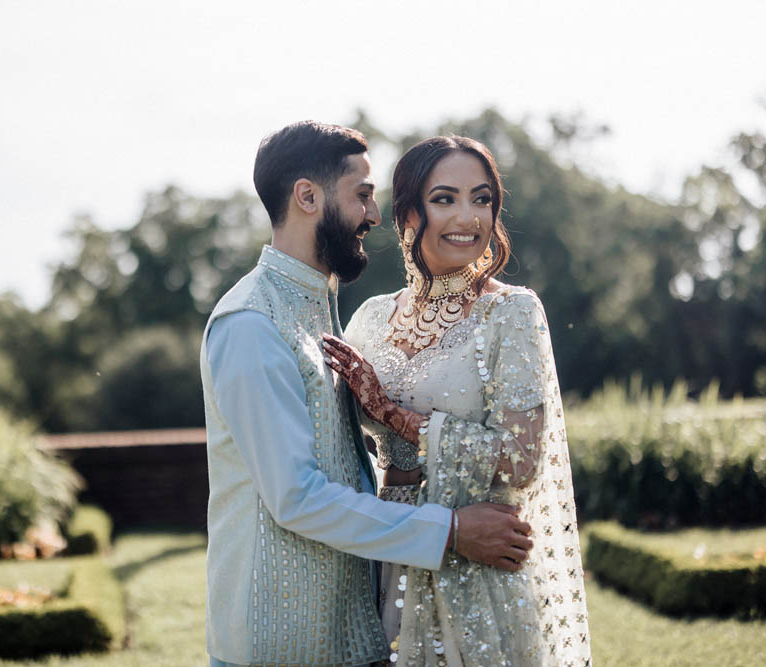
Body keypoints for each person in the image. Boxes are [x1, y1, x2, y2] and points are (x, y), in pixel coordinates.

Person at [201, 122, 535, 667]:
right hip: (279, 644)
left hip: (355, 632)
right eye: (362, 194)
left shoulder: (321, 308)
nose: (375, 215)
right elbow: (297, 498)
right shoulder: (251, 324)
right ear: (307, 196)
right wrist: (449, 530)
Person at [324, 135, 591, 665]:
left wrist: (397, 418)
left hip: (474, 571)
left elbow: (520, 459)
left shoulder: (510, 314)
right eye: (444, 198)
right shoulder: (370, 318)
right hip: (383, 553)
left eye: (483, 198)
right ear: (406, 215)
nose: (467, 216)